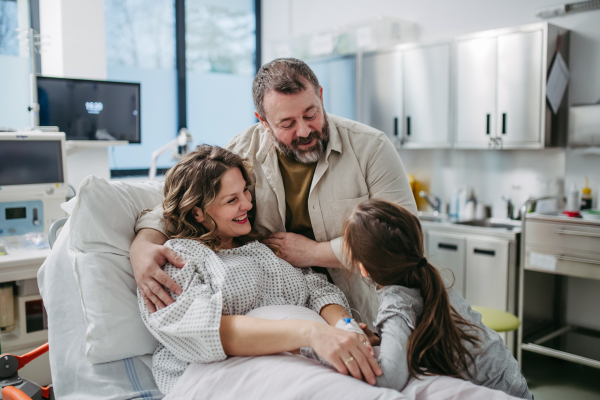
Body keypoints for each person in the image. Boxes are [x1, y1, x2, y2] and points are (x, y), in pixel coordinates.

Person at [130, 58, 416, 380]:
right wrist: (141, 247)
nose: (305, 130)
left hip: (360, 316)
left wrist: (323, 279)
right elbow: (178, 203)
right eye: (287, 123)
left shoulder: (370, 148)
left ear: (321, 96)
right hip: (262, 365)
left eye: (311, 114)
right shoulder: (187, 257)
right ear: (263, 121)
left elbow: (402, 241)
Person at [140, 145, 380, 394]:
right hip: (221, 373)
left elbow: (319, 291)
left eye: (245, 190)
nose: (246, 203)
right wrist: (312, 333)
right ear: (197, 212)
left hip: (303, 358)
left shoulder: (264, 249)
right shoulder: (178, 259)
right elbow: (204, 329)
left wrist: (345, 328)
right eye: (232, 200)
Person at [338, 199, 532, 399]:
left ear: (363, 268)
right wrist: (381, 341)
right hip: (513, 381)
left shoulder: (396, 304)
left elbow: (389, 379)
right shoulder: (427, 278)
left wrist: (336, 354)